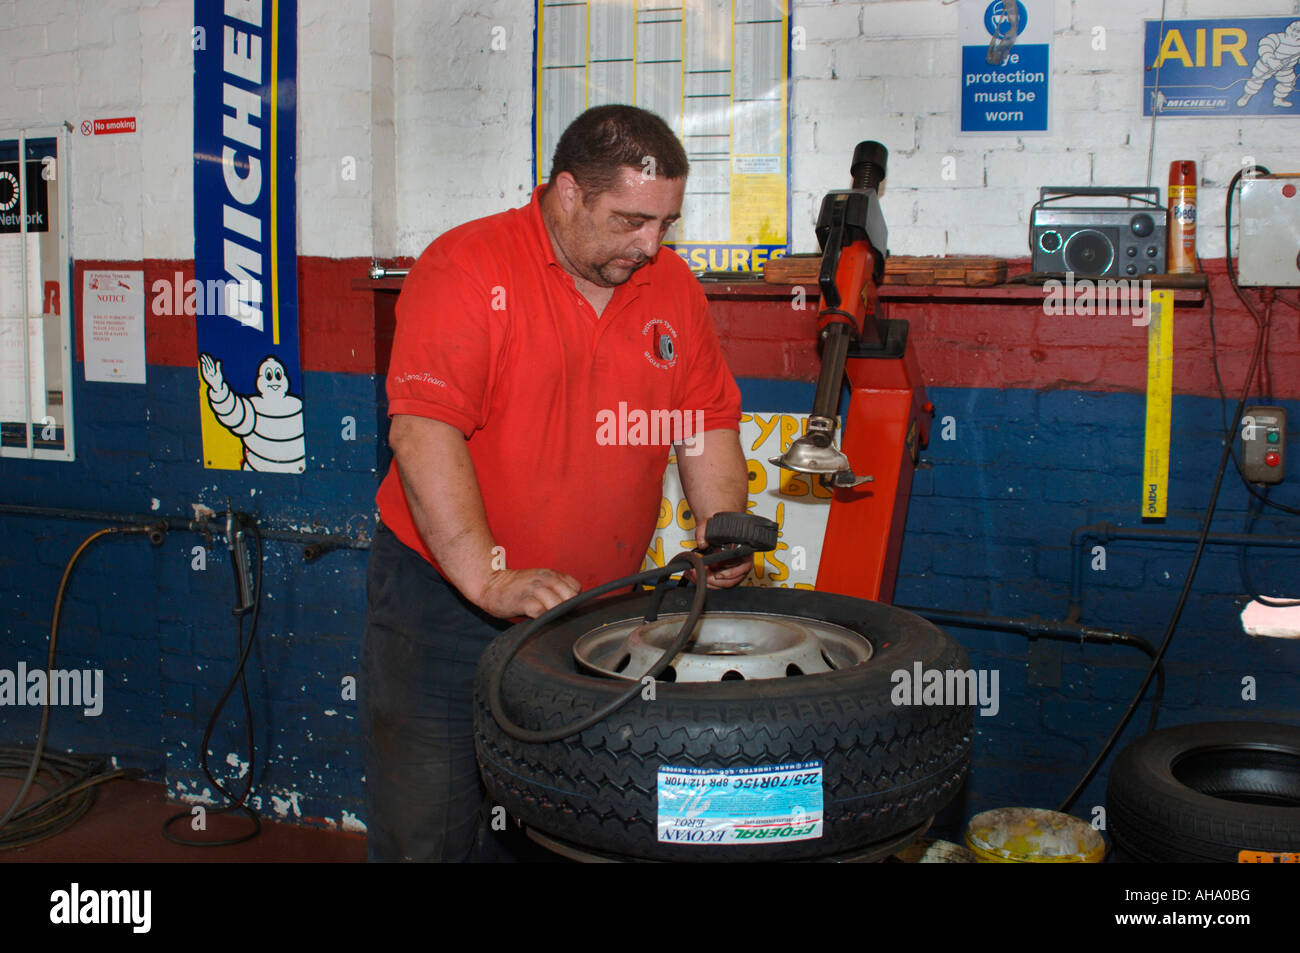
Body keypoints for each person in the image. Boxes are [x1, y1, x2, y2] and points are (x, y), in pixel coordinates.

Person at [361, 104, 750, 862]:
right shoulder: (468, 267)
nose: (652, 245)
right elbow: (422, 429)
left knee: (562, 829)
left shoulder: (671, 287)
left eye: (666, 222)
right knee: (429, 833)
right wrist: (488, 576)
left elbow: (703, 419)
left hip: (588, 616)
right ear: (567, 192)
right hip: (443, 605)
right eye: (632, 220)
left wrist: (722, 523)